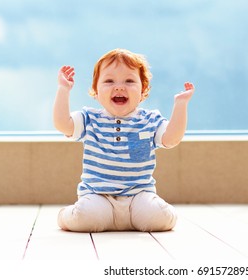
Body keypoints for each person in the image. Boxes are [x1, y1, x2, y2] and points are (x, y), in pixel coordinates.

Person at [53, 48, 194, 232]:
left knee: (159, 219)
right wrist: (63, 90)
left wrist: (180, 105)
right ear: (95, 90)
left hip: (139, 196)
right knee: (86, 218)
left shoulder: (149, 120)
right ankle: (66, 215)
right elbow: (63, 124)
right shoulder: (89, 119)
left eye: (129, 81)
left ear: (143, 90)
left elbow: (172, 139)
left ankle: (153, 214)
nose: (119, 87)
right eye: (109, 81)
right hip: (99, 196)